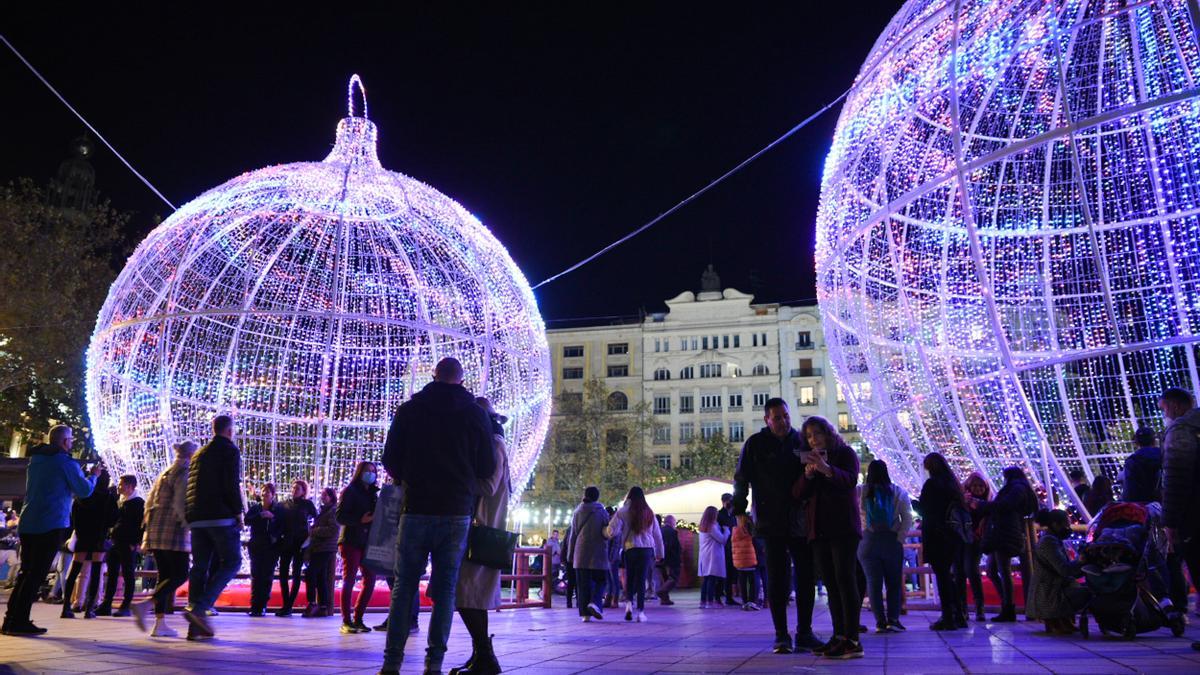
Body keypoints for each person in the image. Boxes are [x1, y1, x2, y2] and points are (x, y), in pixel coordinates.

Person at [379, 357, 496, 675]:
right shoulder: (475, 414)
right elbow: (487, 467)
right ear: (460, 380)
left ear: (433, 376)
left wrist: (412, 479)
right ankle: (434, 664)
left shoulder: (410, 410)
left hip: (416, 508)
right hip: (456, 512)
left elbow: (390, 459)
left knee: (404, 587)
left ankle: (391, 664)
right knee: (445, 590)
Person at [732, 397, 823, 654]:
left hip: (800, 519)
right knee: (777, 577)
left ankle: (804, 632)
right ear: (767, 420)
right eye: (777, 417)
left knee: (805, 576)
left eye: (785, 416)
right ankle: (781, 634)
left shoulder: (800, 441)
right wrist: (740, 510)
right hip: (770, 520)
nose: (783, 421)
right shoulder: (756, 444)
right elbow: (741, 479)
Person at [2, 425, 98, 636]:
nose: (72, 443)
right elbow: (84, 491)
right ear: (64, 442)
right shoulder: (64, 463)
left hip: (29, 523)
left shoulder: (35, 461)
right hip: (51, 522)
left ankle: (11, 619)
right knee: (36, 574)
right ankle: (19, 622)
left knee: (25, 573)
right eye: (71, 440)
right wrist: (93, 476)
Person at [448, 397, 511, 675]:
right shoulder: (486, 445)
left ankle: (485, 655)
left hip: (482, 529)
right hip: (477, 528)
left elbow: (488, 485)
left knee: (468, 593)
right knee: (468, 595)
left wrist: (455, 475)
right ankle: (481, 654)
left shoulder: (495, 445)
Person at [793, 415, 863, 660]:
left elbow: (851, 480)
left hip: (842, 527)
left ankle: (853, 639)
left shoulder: (845, 453)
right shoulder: (809, 459)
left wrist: (827, 470)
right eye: (809, 436)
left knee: (845, 580)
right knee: (831, 585)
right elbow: (798, 493)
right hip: (818, 530)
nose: (813, 440)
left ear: (828, 433)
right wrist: (809, 475)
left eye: (817, 433)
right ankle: (838, 636)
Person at [183, 414, 247, 641]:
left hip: (197, 518)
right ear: (229, 431)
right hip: (220, 516)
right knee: (232, 561)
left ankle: (195, 626)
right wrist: (238, 512)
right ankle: (201, 608)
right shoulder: (229, 450)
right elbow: (230, 483)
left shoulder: (199, 453)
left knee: (200, 566)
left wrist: (191, 514)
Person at [132, 440, 195, 636]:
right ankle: (146, 604)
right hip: (173, 532)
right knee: (180, 574)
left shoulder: (165, 472)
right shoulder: (184, 473)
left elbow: (150, 501)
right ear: (191, 456)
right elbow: (181, 503)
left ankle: (159, 624)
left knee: (165, 575)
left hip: (155, 530)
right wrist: (189, 525)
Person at [973, 466, 1037, 623]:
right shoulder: (1019, 488)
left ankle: (1009, 607)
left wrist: (981, 505)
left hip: (1005, 532)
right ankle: (1007, 605)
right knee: (993, 569)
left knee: (1002, 569)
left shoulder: (1016, 488)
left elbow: (1004, 506)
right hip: (1003, 532)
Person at [857, 459, 913, 634]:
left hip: (867, 541)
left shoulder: (860, 491)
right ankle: (893, 620)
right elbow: (908, 517)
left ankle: (880, 621)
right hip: (891, 540)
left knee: (873, 584)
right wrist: (900, 538)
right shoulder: (898, 492)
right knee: (893, 583)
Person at [1161, 387, 1200, 626]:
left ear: (1174, 406)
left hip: (1194, 516)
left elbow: (1175, 480)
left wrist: (1170, 521)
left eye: (1164, 409)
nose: (1164, 414)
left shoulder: (1182, 431)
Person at [60, 470, 116, 619]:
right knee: (96, 572)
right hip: (99, 537)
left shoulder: (82, 496)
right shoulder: (108, 497)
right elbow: (112, 519)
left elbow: (74, 517)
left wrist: (79, 531)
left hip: (83, 536)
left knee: (75, 571)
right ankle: (89, 608)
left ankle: (66, 607)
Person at [920, 452, 965, 631]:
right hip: (954, 536)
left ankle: (948, 616)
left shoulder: (932, 485)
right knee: (950, 576)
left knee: (943, 576)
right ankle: (959, 613)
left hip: (937, 536)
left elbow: (926, 509)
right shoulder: (953, 485)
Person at [605, 486, 664, 622]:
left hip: (630, 548)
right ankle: (641, 612)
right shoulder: (649, 512)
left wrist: (606, 532)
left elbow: (612, 530)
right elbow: (657, 535)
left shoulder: (623, 512)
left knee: (630, 578)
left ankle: (629, 605)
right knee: (642, 580)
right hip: (647, 549)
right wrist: (660, 552)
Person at [1026, 509, 1090, 635]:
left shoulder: (1052, 540)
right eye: (1066, 524)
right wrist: (1080, 561)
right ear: (1055, 524)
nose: (1069, 528)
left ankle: (1063, 620)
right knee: (1086, 593)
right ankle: (1056, 620)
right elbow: (1064, 569)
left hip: (1053, 589)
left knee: (1083, 589)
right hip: (1050, 592)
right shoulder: (1049, 542)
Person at [336, 462, 379, 634]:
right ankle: (346, 620)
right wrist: (359, 520)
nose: (371, 474)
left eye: (373, 471)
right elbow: (340, 516)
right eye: (367, 471)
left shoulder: (374, 493)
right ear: (359, 472)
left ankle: (358, 618)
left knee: (370, 579)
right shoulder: (350, 491)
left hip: (368, 542)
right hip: (351, 540)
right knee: (349, 579)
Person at [96, 474, 144, 617]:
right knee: (112, 573)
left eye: (122, 484)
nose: (119, 487)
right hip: (115, 542)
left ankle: (126, 605)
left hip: (127, 542)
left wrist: (135, 542)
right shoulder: (120, 501)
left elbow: (140, 524)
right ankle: (106, 604)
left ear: (130, 486)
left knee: (128, 573)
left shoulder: (138, 503)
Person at [566, 486, 610, 623]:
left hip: (580, 551)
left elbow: (572, 535)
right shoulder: (601, 512)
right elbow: (607, 531)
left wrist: (570, 554)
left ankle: (585, 615)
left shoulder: (577, 511)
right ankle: (595, 602)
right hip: (598, 551)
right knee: (601, 580)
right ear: (597, 497)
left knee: (582, 584)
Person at [275, 480, 317, 617]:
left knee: (296, 574)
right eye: (293, 488)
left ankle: (289, 605)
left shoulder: (307, 504)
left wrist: (311, 534)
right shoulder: (284, 504)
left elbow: (317, 518)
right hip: (286, 542)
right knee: (283, 574)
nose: (294, 490)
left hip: (300, 543)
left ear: (304, 491)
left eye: (298, 488)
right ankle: (286, 603)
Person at [246, 483, 283, 617]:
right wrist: (260, 516)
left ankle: (262, 606)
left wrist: (272, 518)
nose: (265, 494)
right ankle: (254, 606)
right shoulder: (256, 508)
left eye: (268, 492)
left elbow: (282, 525)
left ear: (273, 495)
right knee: (256, 575)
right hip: (256, 545)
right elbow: (247, 520)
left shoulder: (278, 509)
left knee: (267, 576)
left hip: (271, 547)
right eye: (263, 491)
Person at [303, 487, 339, 618]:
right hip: (319, 547)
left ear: (331, 497)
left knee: (311, 572)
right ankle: (323, 606)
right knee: (320, 576)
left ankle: (312, 602)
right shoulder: (324, 511)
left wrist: (315, 530)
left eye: (325, 495)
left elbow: (333, 529)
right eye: (322, 495)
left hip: (326, 547)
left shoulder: (333, 511)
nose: (323, 497)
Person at [960, 472, 990, 622]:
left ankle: (979, 607)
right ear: (969, 486)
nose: (978, 489)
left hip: (976, 540)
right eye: (975, 485)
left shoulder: (987, 503)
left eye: (981, 486)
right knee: (961, 573)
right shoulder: (963, 501)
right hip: (963, 539)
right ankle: (962, 608)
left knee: (972, 570)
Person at [697, 505, 728, 609]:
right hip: (713, 556)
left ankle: (703, 601)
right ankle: (710, 602)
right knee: (712, 579)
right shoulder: (712, 526)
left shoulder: (704, 525)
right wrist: (727, 530)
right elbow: (722, 539)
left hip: (706, 555)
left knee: (707, 579)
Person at [1122, 427, 1162, 503]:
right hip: (1165, 502)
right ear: (1154, 440)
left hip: (1142, 505)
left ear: (1136, 442)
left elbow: (1129, 492)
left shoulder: (1132, 461)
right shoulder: (1165, 455)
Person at [731, 515, 760, 611]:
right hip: (750, 559)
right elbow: (756, 541)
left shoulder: (735, 531)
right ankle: (752, 601)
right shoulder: (749, 530)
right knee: (752, 581)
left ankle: (744, 602)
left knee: (742, 581)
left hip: (739, 560)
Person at [718, 493, 739, 606]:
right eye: (729, 501)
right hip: (725, 547)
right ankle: (726, 596)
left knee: (732, 573)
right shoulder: (720, 515)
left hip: (734, 546)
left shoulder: (733, 515)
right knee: (726, 572)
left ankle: (729, 596)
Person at [657, 514, 680, 605]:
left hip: (660, 558)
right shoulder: (672, 532)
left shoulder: (660, 530)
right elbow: (670, 545)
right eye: (674, 522)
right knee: (674, 577)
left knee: (665, 578)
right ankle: (662, 591)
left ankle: (665, 599)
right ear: (671, 522)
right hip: (671, 559)